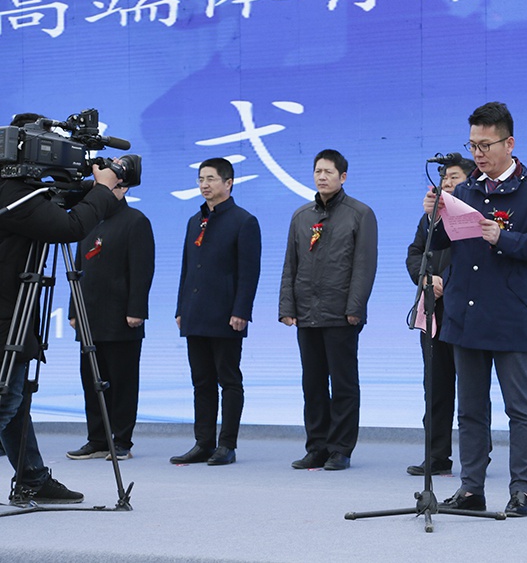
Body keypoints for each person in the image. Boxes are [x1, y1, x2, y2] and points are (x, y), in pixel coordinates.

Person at [422, 101, 527, 517]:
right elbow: (440, 244)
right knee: (470, 409)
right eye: (473, 145)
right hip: (464, 313)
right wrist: (432, 216)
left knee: (519, 408)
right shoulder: (464, 190)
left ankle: (521, 490)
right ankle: (471, 488)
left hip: (509, 314)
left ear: (509, 143)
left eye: (485, 145)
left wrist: (503, 238)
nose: (477, 153)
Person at [0, 112, 123, 503]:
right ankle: (33, 477)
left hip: (12, 310)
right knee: (7, 399)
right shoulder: (15, 194)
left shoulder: (15, 191)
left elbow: (56, 210)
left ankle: (33, 477)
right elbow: (69, 228)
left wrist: (90, 189)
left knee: (15, 397)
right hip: (7, 316)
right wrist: (102, 190)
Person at [280, 150, 377, 471]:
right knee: (313, 384)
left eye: (329, 172)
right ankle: (317, 446)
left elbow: (364, 266)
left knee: (344, 384)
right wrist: (287, 307)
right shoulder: (301, 216)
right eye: (318, 171)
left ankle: (340, 449)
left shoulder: (360, 213)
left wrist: (355, 308)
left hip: (341, 314)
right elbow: (290, 264)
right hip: (306, 313)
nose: (322, 177)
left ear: (343, 177)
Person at [172, 158, 261, 466]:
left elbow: (249, 273)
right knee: (201, 381)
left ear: (228, 183)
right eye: (201, 179)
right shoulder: (194, 221)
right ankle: (203, 442)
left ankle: (227, 445)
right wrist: (181, 308)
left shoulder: (244, 221)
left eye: (211, 179)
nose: (204, 185)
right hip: (195, 313)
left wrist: (241, 311)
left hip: (226, 315)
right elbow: (187, 268)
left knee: (229, 380)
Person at [66, 187, 155, 462]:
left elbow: (143, 269)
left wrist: (136, 309)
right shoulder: (87, 221)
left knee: (122, 382)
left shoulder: (136, 220)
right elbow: (77, 269)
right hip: (89, 316)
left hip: (121, 317)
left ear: (123, 187)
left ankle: (122, 440)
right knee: (92, 381)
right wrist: (74, 310)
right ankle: (97, 440)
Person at [405, 157, 475, 476]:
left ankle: (476, 456)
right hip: (434, 311)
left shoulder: (476, 216)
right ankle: (436, 456)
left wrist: (445, 279)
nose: (446, 183)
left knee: (472, 389)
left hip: (467, 312)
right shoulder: (429, 217)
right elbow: (415, 253)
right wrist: (424, 278)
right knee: (435, 386)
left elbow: (475, 259)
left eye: (454, 177)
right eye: (444, 178)